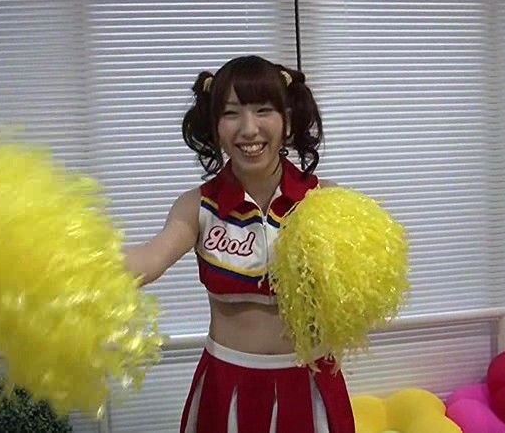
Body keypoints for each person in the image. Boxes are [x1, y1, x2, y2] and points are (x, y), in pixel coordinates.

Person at [125, 55, 355, 433]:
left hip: (311, 384)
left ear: (287, 120)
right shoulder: (198, 206)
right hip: (227, 385)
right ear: (215, 126)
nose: (249, 129)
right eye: (231, 113)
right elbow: (148, 260)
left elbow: (362, 286)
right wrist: (70, 262)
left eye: (263, 110)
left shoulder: (325, 200)